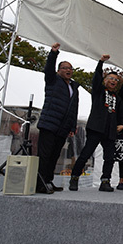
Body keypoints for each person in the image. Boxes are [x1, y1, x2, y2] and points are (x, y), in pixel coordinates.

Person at [69, 54, 123, 192]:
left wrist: (122, 124)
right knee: (86, 153)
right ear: (105, 80)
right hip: (96, 128)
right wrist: (100, 63)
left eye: (116, 80)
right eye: (111, 78)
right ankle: (75, 177)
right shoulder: (98, 91)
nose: (113, 81)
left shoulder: (117, 98)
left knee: (110, 157)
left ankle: (105, 181)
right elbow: (96, 79)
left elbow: (121, 114)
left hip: (110, 131)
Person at [36, 43, 80, 194]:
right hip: (49, 123)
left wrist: (72, 126)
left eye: (70, 68)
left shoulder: (74, 87)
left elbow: (74, 108)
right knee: (44, 155)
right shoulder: (52, 80)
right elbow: (48, 68)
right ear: (58, 70)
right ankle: (39, 183)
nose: (68, 70)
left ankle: (48, 181)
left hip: (63, 127)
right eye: (65, 68)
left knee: (54, 155)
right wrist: (53, 53)